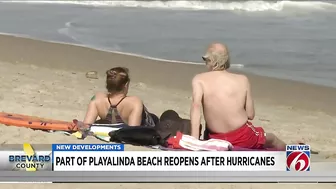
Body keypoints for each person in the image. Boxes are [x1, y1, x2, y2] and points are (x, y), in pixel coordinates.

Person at [189, 43, 287, 150]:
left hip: (215, 137)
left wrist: (195, 142)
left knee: (207, 130)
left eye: (206, 60)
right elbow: (250, 114)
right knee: (272, 139)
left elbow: (196, 108)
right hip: (244, 137)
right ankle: (295, 154)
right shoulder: (242, 80)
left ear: (211, 60)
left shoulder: (199, 80)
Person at [83, 67, 158, 127]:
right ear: (126, 85)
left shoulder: (97, 99)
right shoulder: (134, 102)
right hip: (149, 122)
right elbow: (133, 130)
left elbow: (86, 125)